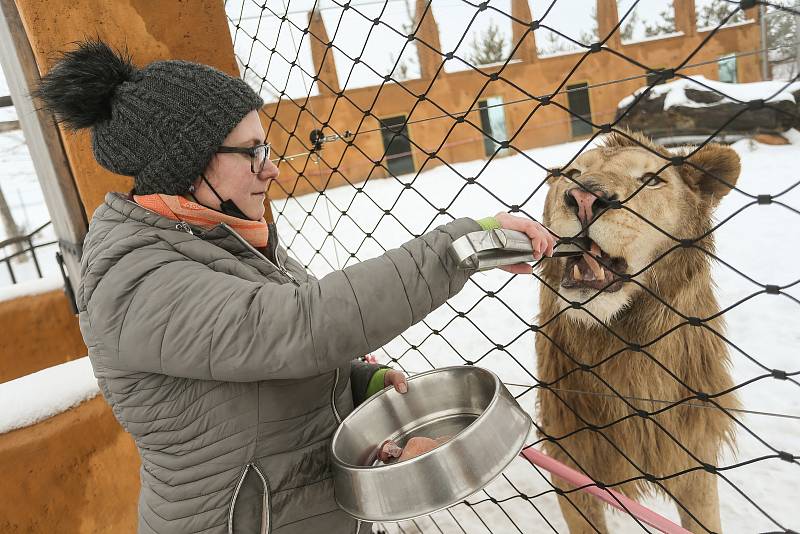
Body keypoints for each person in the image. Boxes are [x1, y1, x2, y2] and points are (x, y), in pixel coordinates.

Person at [33, 39, 556, 534]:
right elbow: (295, 327)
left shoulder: (218, 238)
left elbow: (243, 371)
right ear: (188, 164)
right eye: (253, 152)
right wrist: (458, 247)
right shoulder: (137, 278)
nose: (273, 170)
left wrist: (353, 388)